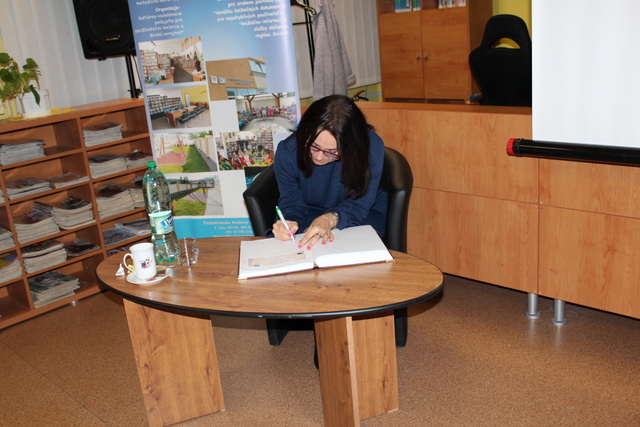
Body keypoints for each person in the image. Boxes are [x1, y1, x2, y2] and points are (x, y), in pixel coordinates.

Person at [272, 94, 387, 250]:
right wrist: (288, 223)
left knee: (347, 252)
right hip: (309, 212)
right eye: (313, 146)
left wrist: (331, 218)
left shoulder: (370, 147)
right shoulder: (288, 150)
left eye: (332, 152)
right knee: (293, 250)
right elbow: (292, 203)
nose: (319, 157)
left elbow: (361, 203)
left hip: (361, 211)